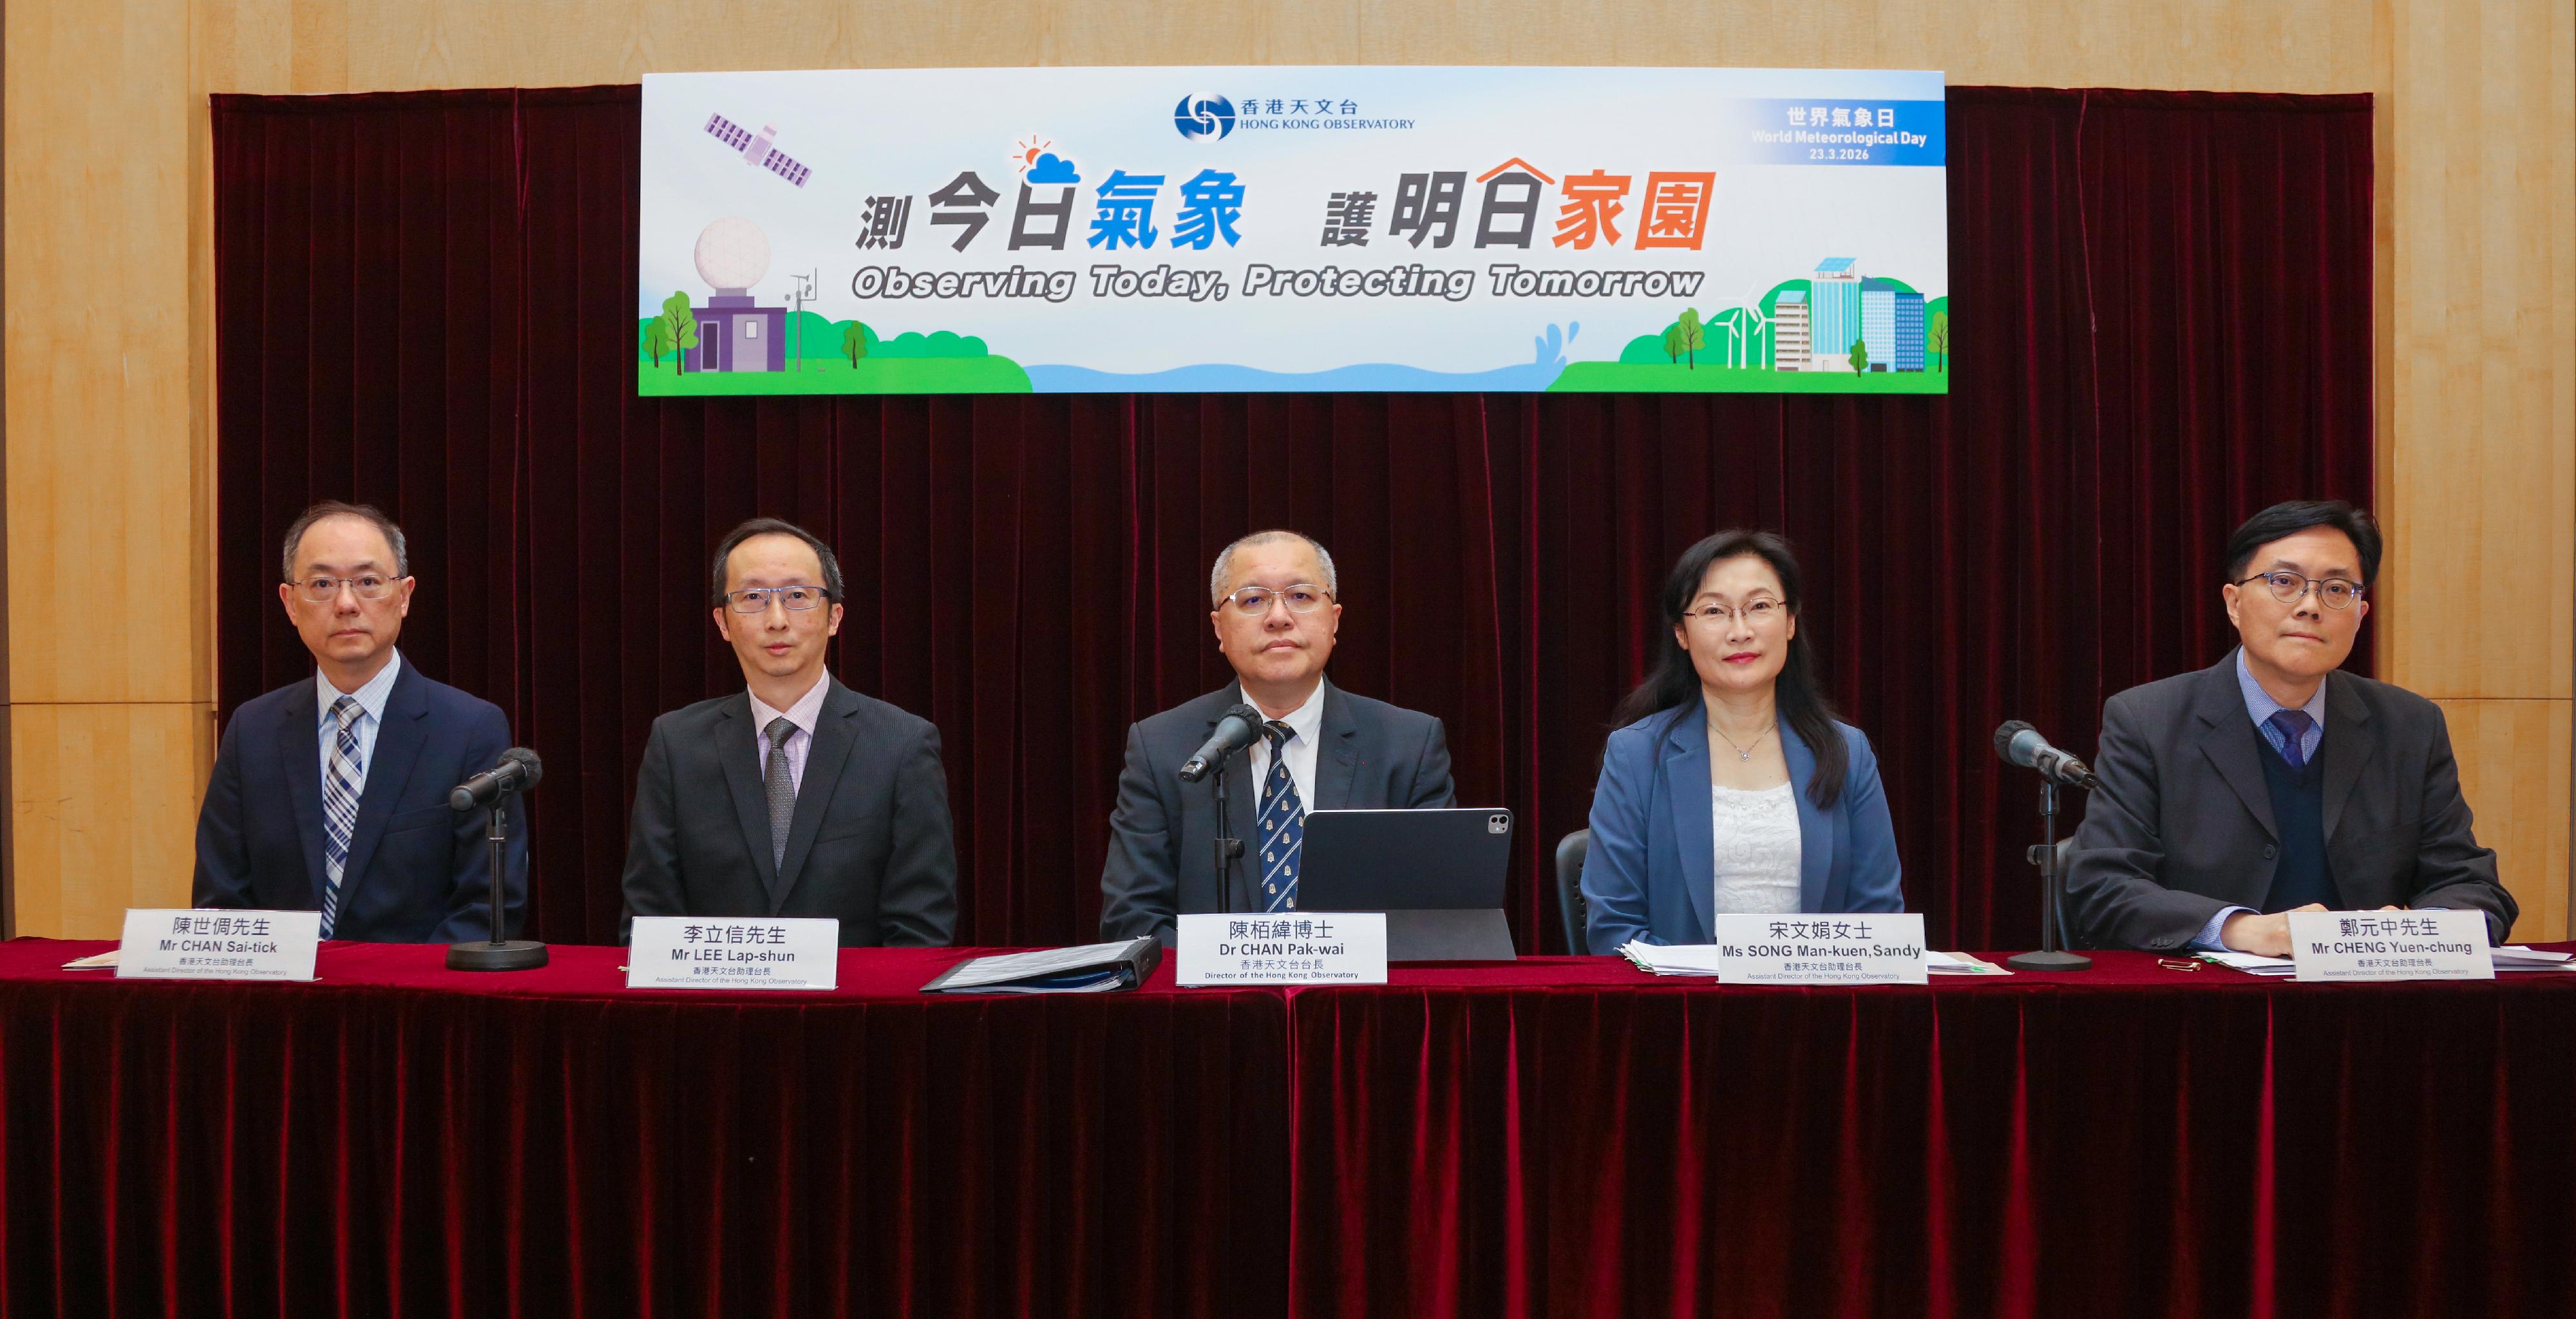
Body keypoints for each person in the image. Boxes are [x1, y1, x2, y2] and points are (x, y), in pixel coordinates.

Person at [2065, 500, 2514, 953]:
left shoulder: (2410, 726)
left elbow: (2470, 883)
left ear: (2360, 616)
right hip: (2208, 1003)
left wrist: (2416, 934)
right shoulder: (2149, 720)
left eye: (2337, 589)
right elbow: (2105, 885)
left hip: (2372, 1001)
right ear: (2235, 603)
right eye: (2284, 582)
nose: (2310, 606)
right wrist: (2241, 930)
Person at [1099, 529, 1457, 946]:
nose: (1279, 617)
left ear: (1335, 620)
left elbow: (1439, 917)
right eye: (1252, 600)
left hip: (1360, 1007)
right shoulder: (1160, 748)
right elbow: (1132, 919)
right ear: (1219, 628)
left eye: (1301, 597)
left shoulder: (1409, 746)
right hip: (1215, 1008)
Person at [194, 501, 527, 941]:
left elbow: (487, 906)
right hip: (282, 1001)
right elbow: (221, 899)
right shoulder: (252, 730)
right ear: (290, 603)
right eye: (322, 584)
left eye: (368, 582)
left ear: (404, 596)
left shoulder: (469, 729)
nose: (346, 603)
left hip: (414, 998)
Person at [620, 518, 957, 945]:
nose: (777, 619)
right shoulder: (677, 744)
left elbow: (920, 927)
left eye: (798, 596)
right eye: (753, 598)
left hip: (855, 1007)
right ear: (723, 623)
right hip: (715, 1006)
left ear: (834, 616)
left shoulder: (902, 744)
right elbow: (651, 922)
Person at [1580, 529, 1903, 953]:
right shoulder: (1636, 755)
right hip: (1680, 1011)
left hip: (1819, 1010)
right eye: (1714, 611)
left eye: (1760, 607)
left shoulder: (1847, 751)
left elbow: (1878, 922)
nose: (1740, 631)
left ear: (1790, 622)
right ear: (1681, 633)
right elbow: (1614, 929)